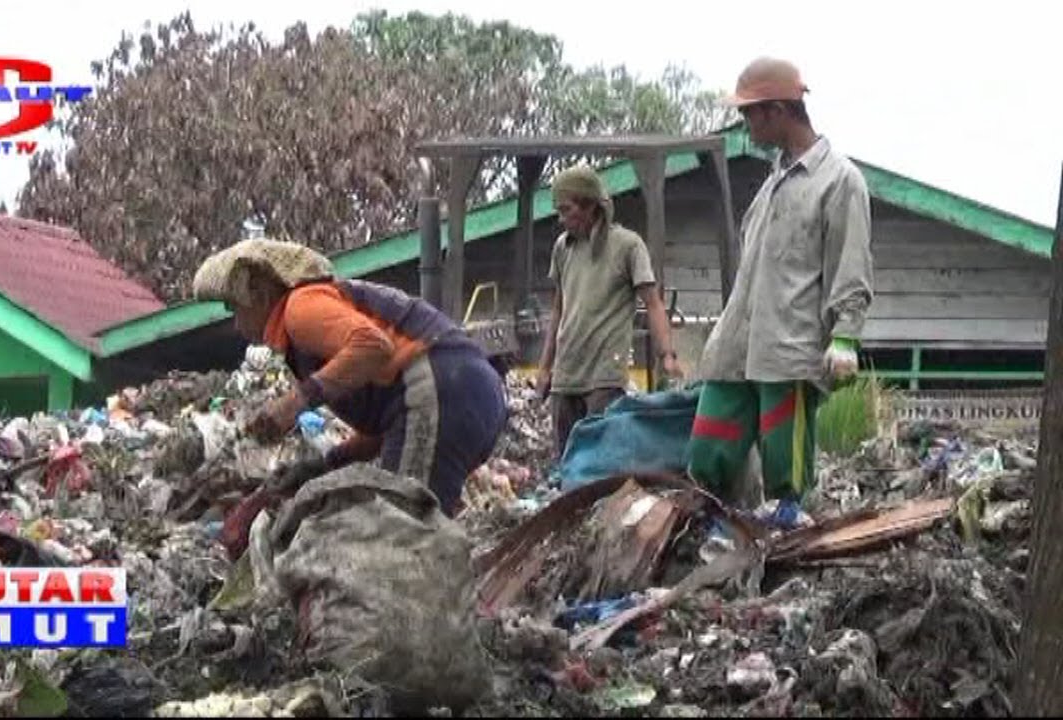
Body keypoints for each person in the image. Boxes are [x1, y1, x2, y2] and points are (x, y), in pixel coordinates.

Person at [192, 237, 508, 516]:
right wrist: (327, 463)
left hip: (445, 388)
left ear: (259, 295)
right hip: (470, 393)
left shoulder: (300, 309)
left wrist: (295, 402)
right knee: (422, 529)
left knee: (400, 535)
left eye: (234, 308)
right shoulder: (321, 315)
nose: (236, 324)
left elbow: (374, 347)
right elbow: (393, 415)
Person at [686, 57, 874, 521]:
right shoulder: (771, 184)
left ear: (777, 111)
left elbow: (850, 262)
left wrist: (845, 334)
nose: (745, 124)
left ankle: (787, 527)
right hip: (737, 342)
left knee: (782, 457)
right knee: (710, 443)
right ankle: (716, 524)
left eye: (750, 114)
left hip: (788, 346)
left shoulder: (839, 181)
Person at [536, 164, 684, 459]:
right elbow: (558, 310)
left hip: (604, 374)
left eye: (567, 210)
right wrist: (544, 367)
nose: (561, 219)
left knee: (598, 459)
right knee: (565, 461)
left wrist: (667, 355)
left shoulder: (627, 246)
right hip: (567, 372)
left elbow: (653, 303)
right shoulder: (563, 248)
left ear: (590, 205)